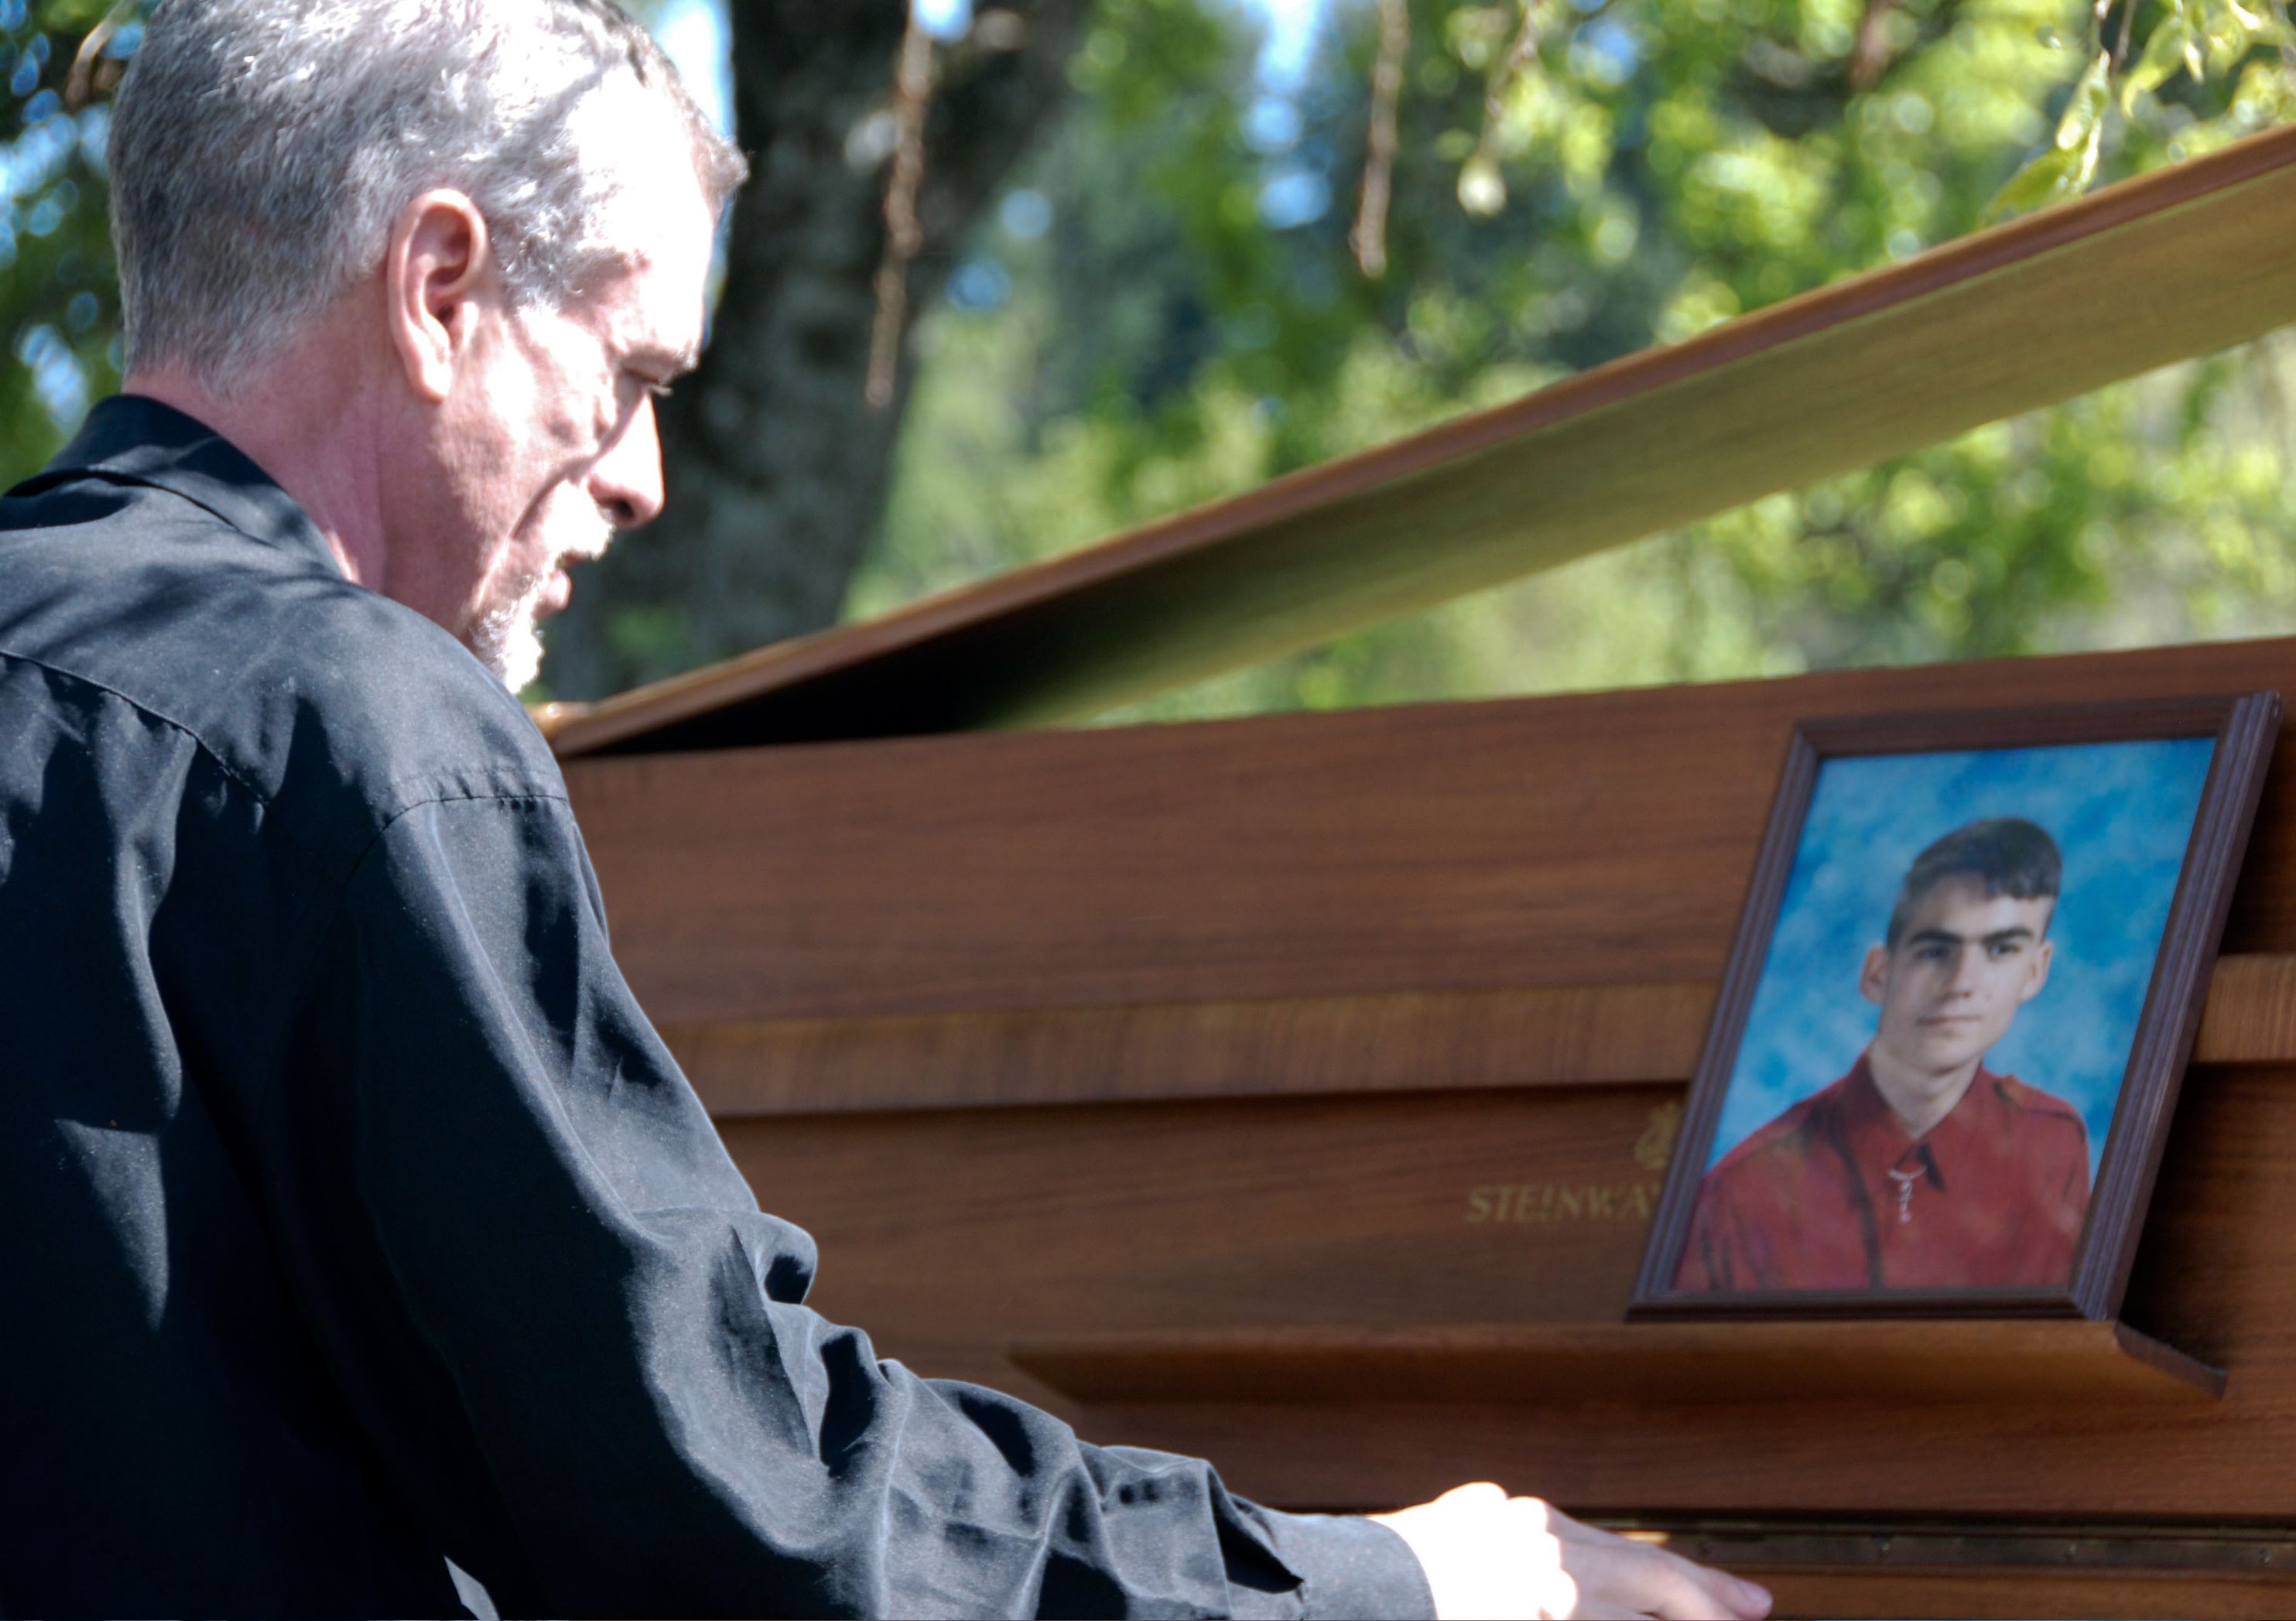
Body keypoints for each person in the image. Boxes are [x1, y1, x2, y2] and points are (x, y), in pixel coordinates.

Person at [0, 3, 1773, 1618]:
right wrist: (1410, 1582)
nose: (639, 477)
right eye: (630, 375)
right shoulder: (355, 724)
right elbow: (749, 1512)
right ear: (440, 285)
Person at [1675, 817, 2091, 1293]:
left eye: (2001, 949)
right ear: (1877, 973)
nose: (1962, 986)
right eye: (1935, 951)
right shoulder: (1746, 1188)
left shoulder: (2053, 1147)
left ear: (2036, 971)